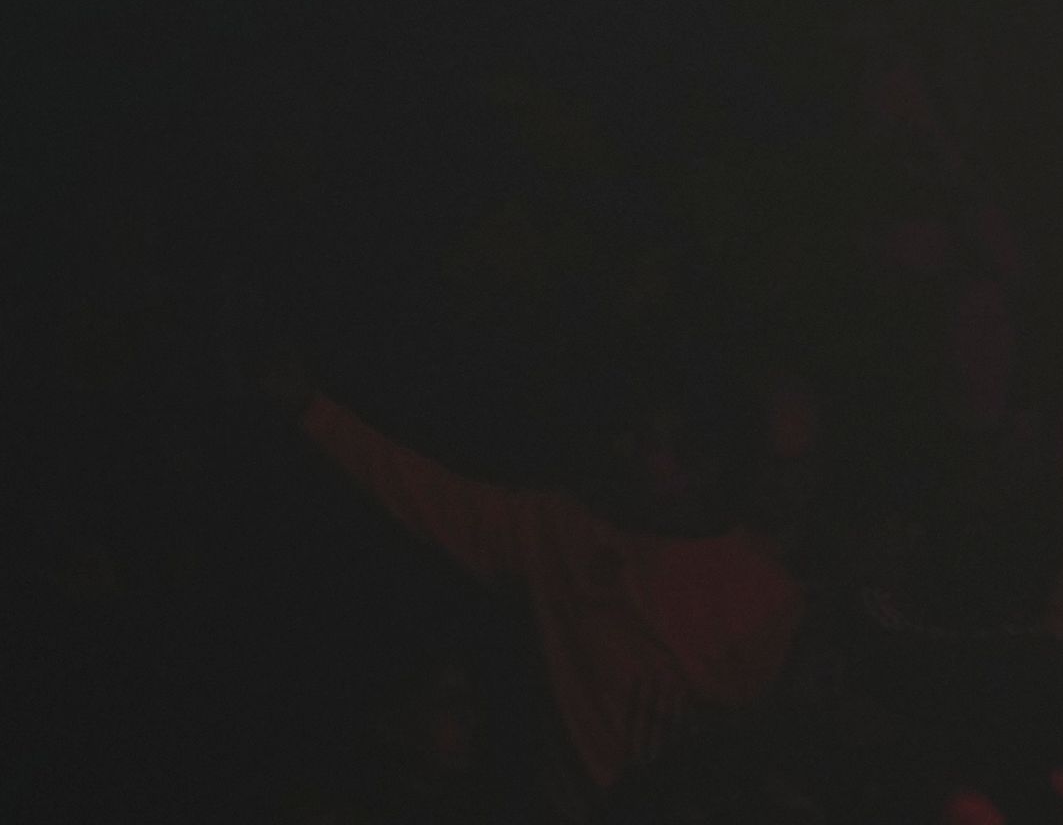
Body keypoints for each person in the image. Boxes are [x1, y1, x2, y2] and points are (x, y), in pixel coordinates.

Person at [267, 348, 802, 816]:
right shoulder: (567, 530)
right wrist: (312, 411)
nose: (624, 449)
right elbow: (439, 502)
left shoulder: (763, 595)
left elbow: (757, 739)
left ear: (699, 468)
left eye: (647, 441)